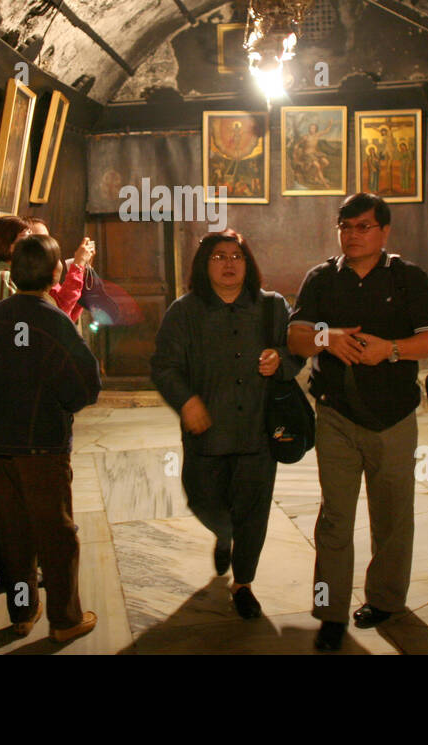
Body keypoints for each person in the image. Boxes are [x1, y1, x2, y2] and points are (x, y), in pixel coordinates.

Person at [287, 193, 428, 651]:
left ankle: (386, 600)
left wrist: (390, 350)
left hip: (393, 416)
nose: (352, 235)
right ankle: (330, 608)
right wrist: (328, 337)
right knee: (335, 517)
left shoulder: (407, 277)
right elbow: (297, 337)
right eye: (345, 226)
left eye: (362, 227)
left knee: (392, 516)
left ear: (384, 232)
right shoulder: (321, 278)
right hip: (336, 413)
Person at [151, 230, 301, 620]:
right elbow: (163, 366)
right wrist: (186, 401)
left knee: (254, 510)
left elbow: (295, 352)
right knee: (201, 497)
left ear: (247, 263)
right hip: (207, 430)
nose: (229, 263)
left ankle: (244, 583)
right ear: (204, 264)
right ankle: (223, 533)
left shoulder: (272, 307)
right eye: (219, 256)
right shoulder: (184, 312)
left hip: (258, 430)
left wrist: (280, 361)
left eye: (236, 256)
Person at [0, 234, 102, 642]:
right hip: (43, 444)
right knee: (57, 535)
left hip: (0, 445)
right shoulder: (54, 319)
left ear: (14, 273)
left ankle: (22, 612)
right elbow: (85, 385)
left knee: (16, 533)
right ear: (56, 272)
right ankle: (65, 618)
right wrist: (63, 404)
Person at [22, 216, 96, 322]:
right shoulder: (26, 278)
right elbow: (59, 314)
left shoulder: (48, 273)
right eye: (40, 239)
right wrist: (78, 266)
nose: (47, 244)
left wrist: (84, 269)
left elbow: (69, 318)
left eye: (48, 238)